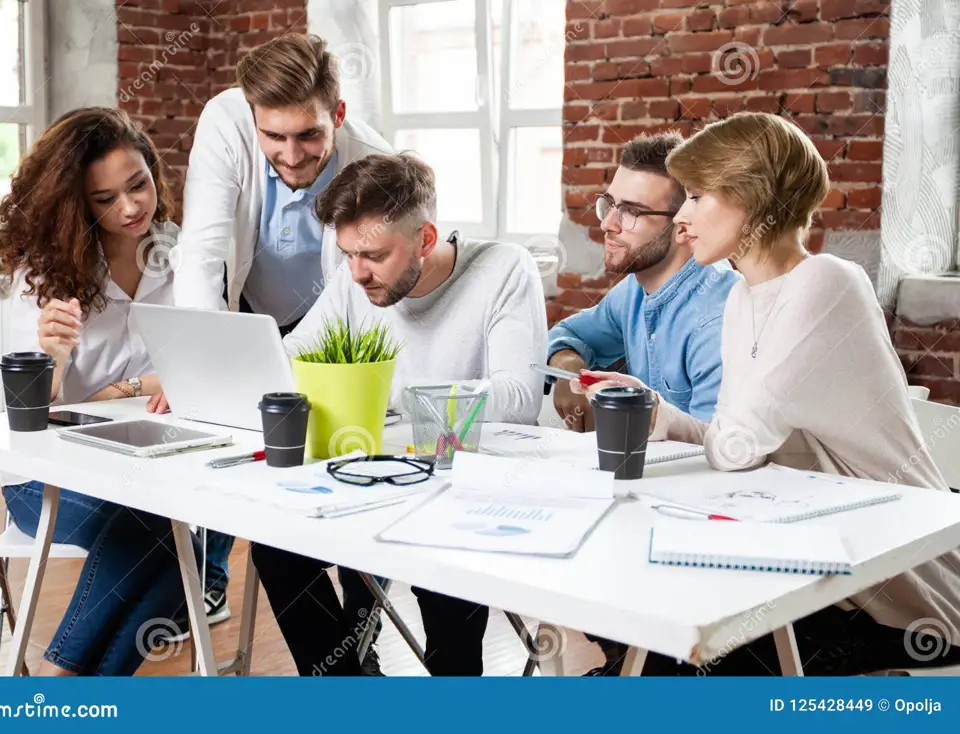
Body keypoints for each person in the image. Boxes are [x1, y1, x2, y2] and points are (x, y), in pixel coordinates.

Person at [573, 111, 960, 675]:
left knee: (679, 652)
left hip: (896, 600)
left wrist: (700, 432)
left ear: (752, 202)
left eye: (699, 196)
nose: (681, 217)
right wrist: (660, 412)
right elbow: (734, 441)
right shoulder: (743, 298)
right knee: (651, 625)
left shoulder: (828, 283)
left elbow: (741, 445)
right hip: (812, 569)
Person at [251, 151, 548, 676]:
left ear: (426, 239)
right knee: (275, 551)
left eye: (373, 255)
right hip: (371, 478)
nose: (357, 273)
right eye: (346, 254)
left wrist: (386, 395)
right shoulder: (354, 280)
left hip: (461, 491)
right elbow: (291, 357)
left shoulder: (503, 268)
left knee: (443, 586)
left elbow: (521, 400)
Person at [164, 33, 395, 651]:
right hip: (246, 315)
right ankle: (335, 664)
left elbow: (368, 288)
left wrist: (307, 364)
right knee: (264, 499)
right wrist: (203, 374)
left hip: (336, 332)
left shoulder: (373, 160)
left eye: (309, 136)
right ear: (251, 116)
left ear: (337, 117)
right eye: (275, 137)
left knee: (351, 473)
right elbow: (204, 252)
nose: (291, 155)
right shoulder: (226, 122)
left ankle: (359, 644)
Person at [0, 107, 200, 676]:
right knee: (169, 537)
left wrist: (127, 388)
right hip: (45, 474)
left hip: (143, 454)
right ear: (77, 204)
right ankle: (69, 681)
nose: (130, 208)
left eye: (138, 185)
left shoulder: (182, 257)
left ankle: (68, 692)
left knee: (184, 530)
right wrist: (52, 360)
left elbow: (202, 364)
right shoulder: (46, 273)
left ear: (155, 172)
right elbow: (30, 415)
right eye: (105, 199)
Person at [545, 131, 740, 675]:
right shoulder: (634, 292)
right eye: (610, 203)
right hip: (649, 526)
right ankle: (629, 663)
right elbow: (568, 334)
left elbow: (720, 454)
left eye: (630, 212)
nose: (607, 222)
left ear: (683, 226)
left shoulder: (716, 313)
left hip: (707, 553)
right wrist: (566, 377)